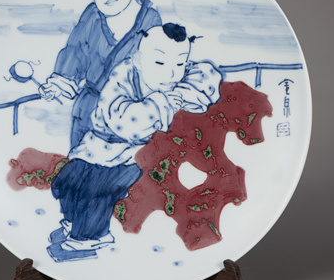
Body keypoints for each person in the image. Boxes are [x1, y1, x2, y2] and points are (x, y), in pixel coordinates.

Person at [47, 23, 222, 262]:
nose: (171, 73)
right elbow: (121, 120)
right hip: (102, 144)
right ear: (139, 60)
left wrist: (182, 94)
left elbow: (207, 77)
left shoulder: (180, 80)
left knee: (97, 188)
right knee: (68, 181)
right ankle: (72, 222)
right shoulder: (123, 77)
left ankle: (89, 238)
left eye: (180, 63)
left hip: (138, 154)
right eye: (160, 63)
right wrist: (161, 103)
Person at [41, 0, 162, 150]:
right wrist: (61, 81)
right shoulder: (92, 14)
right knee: (80, 164)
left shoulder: (151, 20)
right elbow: (75, 52)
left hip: (129, 113)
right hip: (88, 111)